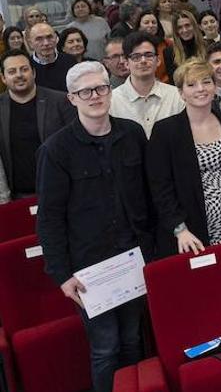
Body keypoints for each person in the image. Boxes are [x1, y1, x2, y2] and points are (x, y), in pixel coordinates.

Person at [37, 61, 153, 392]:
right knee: (106, 349)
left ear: (110, 91)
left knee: (133, 340)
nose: (95, 96)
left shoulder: (131, 133)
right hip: (90, 270)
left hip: (132, 259)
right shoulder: (55, 150)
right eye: (85, 91)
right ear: (72, 99)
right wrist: (62, 275)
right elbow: (49, 219)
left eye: (101, 88)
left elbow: (147, 193)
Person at [146, 59, 221, 258]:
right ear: (180, 92)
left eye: (206, 81)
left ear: (214, 86)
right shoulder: (165, 131)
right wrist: (180, 230)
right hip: (190, 233)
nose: (201, 89)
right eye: (192, 84)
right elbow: (160, 188)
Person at [0, 50, 75, 199]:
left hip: (61, 191)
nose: (19, 75)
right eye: (12, 71)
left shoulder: (60, 102)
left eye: (24, 69)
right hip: (18, 197)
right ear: (3, 78)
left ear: (33, 72)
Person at [110, 32, 186, 137]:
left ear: (158, 60)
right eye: (136, 57)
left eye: (148, 55)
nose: (143, 61)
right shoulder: (112, 100)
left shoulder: (176, 96)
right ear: (126, 63)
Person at [27, 21, 76, 91]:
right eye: (39, 39)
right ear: (30, 43)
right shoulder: (27, 66)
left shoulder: (70, 61)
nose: (46, 43)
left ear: (56, 38)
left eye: (49, 37)